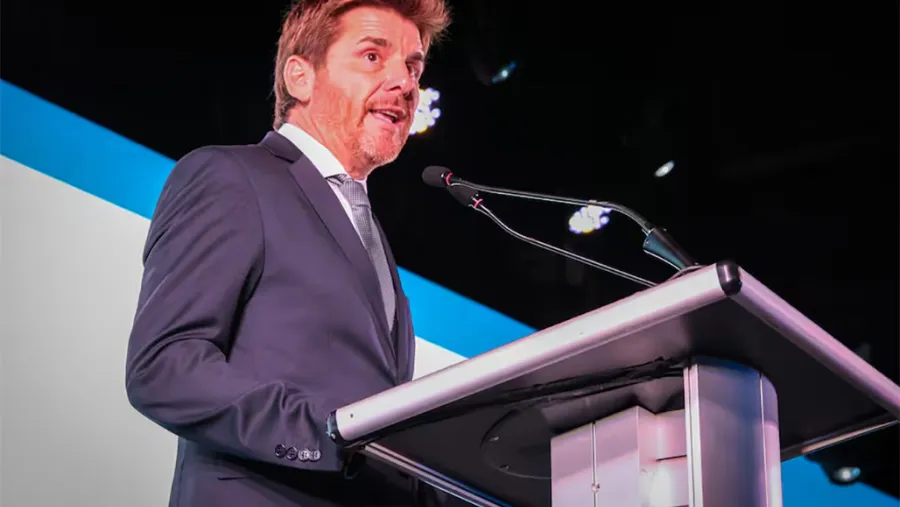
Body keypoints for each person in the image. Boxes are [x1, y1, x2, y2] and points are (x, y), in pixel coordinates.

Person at [124, 1, 453, 506]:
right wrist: (331, 433)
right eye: (373, 57)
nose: (405, 83)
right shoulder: (232, 178)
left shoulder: (368, 231)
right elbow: (163, 367)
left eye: (413, 66)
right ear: (300, 76)